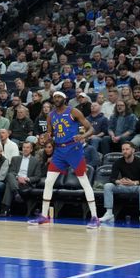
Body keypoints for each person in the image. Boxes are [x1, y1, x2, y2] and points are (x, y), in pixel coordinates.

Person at [28, 91, 99, 228]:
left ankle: (95, 217)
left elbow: (91, 129)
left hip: (74, 149)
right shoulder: (51, 115)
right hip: (59, 150)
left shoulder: (73, 111)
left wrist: (83, 136)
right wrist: (43, 140)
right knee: (48, 181)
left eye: (59, 97)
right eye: (55, 97)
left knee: (84, 181)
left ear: (65, 99)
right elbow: (50, 135)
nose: (57, 99)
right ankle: (44, 216)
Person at [99, 143, 140, 223]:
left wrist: (134, 182)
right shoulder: (119, 162)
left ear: (133, 150)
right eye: (123, 149)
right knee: (108, 186)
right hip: (123, 186)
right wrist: (118, 181)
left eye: (127, 149)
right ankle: (109, 214)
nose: (125, 151)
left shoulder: (139, 161)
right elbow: (112, 178)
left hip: (136, 186)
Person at [0, 141, 44, 216]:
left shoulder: (36, 161)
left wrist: (27, 179)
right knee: (9, 175)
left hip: (26, 183)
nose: (25, 149)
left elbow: (38, 176)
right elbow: (11, 172)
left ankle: (5, 209)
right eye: (24, 147)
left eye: (27, 147)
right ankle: (16, 193)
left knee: (9, 185)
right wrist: (18, 177)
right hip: (16, 180)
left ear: (31, 149)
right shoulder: (15, 159)